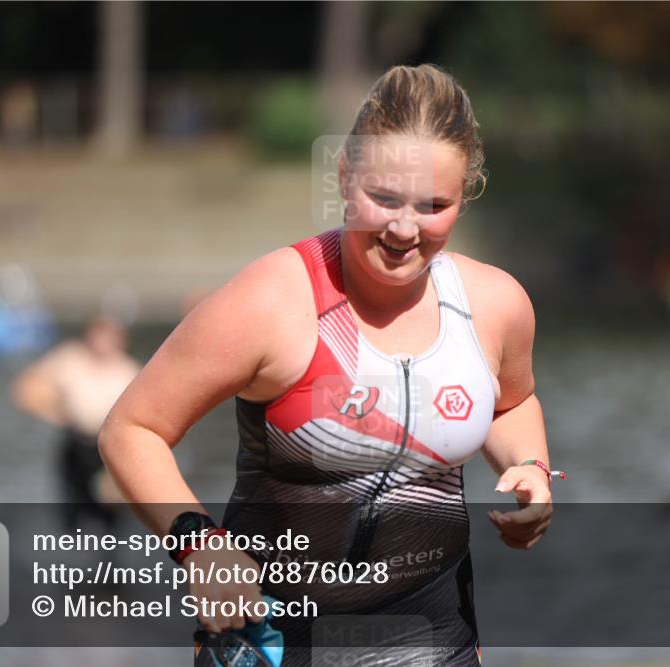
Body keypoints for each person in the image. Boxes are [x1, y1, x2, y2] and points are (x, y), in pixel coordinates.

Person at [99, 64, 555, 666]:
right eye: (384, 197)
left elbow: (510, 400)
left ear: (465, 195)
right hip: (270, 644)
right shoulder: (270, 303)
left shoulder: (495, 306)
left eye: (433, 204)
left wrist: (531, 468)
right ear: (344, 175)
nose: (403, 227)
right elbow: (132, 429)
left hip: (433, 640)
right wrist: (199, 547)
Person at [13, 315, 140, 530]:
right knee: (71, 511)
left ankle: (108, 558)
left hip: (110, 450)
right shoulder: (71, 359)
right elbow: (25, 388)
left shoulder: (129, 371)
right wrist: (55, 412)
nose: (103, 342)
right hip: (76, 444)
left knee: (110, 515)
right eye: (99, 335)